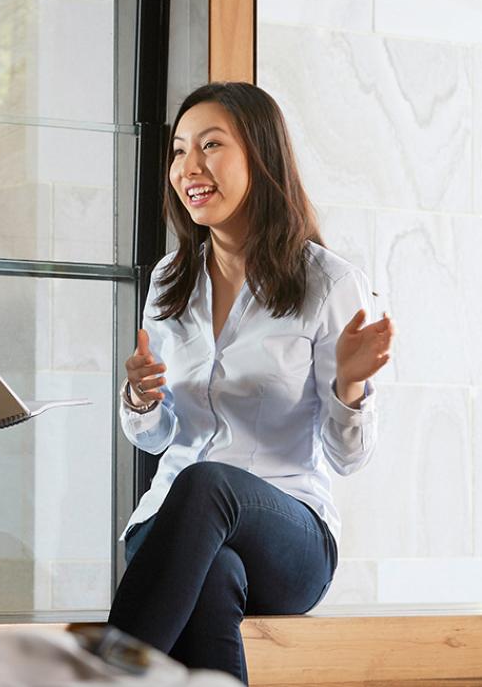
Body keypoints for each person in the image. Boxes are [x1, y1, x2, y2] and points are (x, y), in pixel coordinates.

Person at [106, 82, 395, 684]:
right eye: (179, 151)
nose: (189, 168)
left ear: (261, 158)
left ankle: (105, 677)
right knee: (212, 576)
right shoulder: (169, 281)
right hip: (168, 528)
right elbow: (154, 438)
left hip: (289, 536)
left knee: (208, 483)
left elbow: (349, 457)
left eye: (210, 146)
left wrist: (348, 388)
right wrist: (141, 395)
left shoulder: (328, 283)